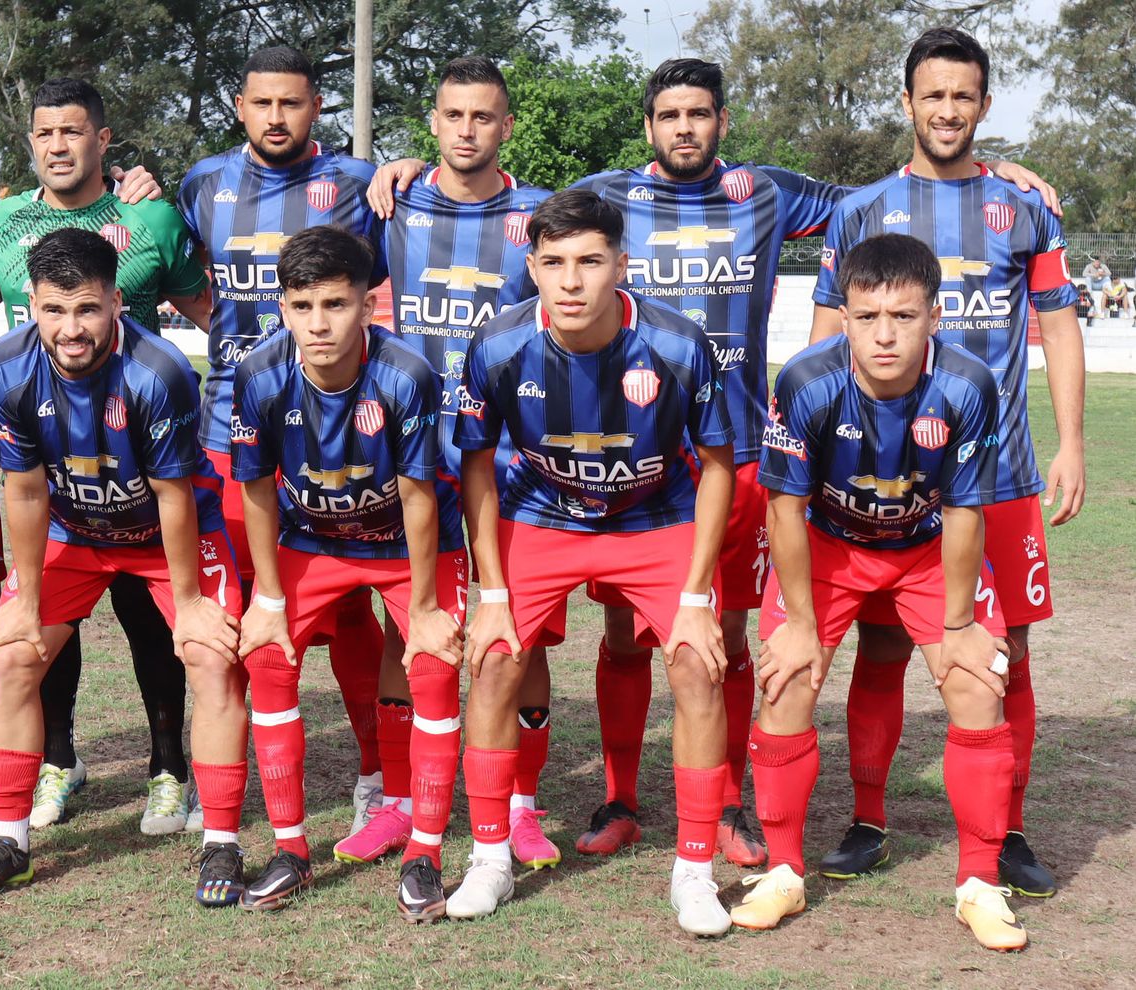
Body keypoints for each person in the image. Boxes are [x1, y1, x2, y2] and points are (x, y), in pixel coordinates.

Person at [366, 57, 1060, 868]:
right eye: (670, 115)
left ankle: (727, 805)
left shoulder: (766, 190)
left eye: (700, 113)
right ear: (649, 126)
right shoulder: (609, 198)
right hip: (629, 454)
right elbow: (507, 198)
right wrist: (405, 170)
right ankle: (620, 795)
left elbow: (889, 199)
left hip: (732, 451)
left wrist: (989, 173)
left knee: (720, 634)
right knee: (623, 634)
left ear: (721, 121)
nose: (685, 128)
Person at [809, 27, 1083, 896]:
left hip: (997, 475)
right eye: (933, 95)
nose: (947, 110)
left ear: (984, 106)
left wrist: (1071, 441)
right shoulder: (861, 211)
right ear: (908, 104)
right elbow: (827, 338)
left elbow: (1061, 326)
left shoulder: (1026, 207)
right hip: (882, 482)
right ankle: (869, 815)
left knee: (1010, 655)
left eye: (963, 96)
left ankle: (1006, 829)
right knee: (881, 645)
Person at [448, 189, 736, 936]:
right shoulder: (500, 343)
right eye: (553, 263)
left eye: (589, 262)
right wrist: (491, 591)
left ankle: (695, 872)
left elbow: (717, 465)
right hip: (540, 512)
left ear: (622, 265)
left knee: (698, 664)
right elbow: (475, 467)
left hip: (654, 515)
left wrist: (699, 597)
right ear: (532, 267)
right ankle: (489, 861)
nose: (571, 281)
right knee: (496, 658)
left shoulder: (676, 344)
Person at [738, 232, 1025, 952]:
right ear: (846, 315)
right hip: (830, 548)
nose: (885, 335)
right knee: (787, 682)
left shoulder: (967, 384)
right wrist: (800, 622)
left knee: (974, 684)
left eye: (904, 315)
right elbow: (784, 509)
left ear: (935, 315)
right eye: (867, 317)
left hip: (927, 550)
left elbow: (964, 511)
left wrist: (959, 624)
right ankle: (782, 872)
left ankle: (980, 886)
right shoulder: (805, 381)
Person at [0, 228, 246, 900]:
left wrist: (192, 602)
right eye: (55, 310)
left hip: (165, 534)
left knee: (210, 656)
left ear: (116, 302)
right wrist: (23, 601)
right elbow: (21, 490)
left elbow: (175, 497)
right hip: (74, 532)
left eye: (86, 309)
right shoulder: (3, 369)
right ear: (32, 304)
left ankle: (222, 842)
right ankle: (11, 841)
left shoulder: (158, 371)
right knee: (14, 655)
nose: (71, 328)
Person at [329, 56, 563, 873]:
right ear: (433, 122)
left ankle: (523, 809)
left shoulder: (539, 215)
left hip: (511, 458)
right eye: (454, 115)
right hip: (413, 453)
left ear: (506, 127)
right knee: (407, 622)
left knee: (516, 636)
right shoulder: (390, 201)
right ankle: (399, 800)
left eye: (484, 117)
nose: (468, 130)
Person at [0, 77, 211, 835]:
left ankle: (170, 767)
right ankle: (58, 759)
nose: (56, 146)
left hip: (142, 451)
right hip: (46, 446)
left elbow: (210, 307)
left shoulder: (150, 215)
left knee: (151, 625)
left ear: (102, 140)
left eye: (72, 132)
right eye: (44, 134)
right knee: (45, 628)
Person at [166, 45, 390, 832]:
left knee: (354, 605)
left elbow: (386, 280)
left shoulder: (363, 184)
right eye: (262, 103)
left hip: (338, 425)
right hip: (232, 421)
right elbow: (173, 267)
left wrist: (408, 171)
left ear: (316, 106)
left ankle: (373, 770)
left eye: (291, 104)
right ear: (239, 105)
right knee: (236, 608)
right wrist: (228, 335)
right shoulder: (202, 183)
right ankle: (218, 772)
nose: (276, 117)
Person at [230, 225, 467, 917]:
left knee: (433, 665)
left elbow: (421, 496)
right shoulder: (259, 375)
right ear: (283, 307)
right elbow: (256, 489)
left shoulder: (406, 374)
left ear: (369, 305)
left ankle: (424, 854)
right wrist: (268, 597)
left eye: (335, 305)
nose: (318, 323)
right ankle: (291, 851)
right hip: (314, 538)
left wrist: (423, 609)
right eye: (302, 307)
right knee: (268, 657)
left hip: (406, 540)